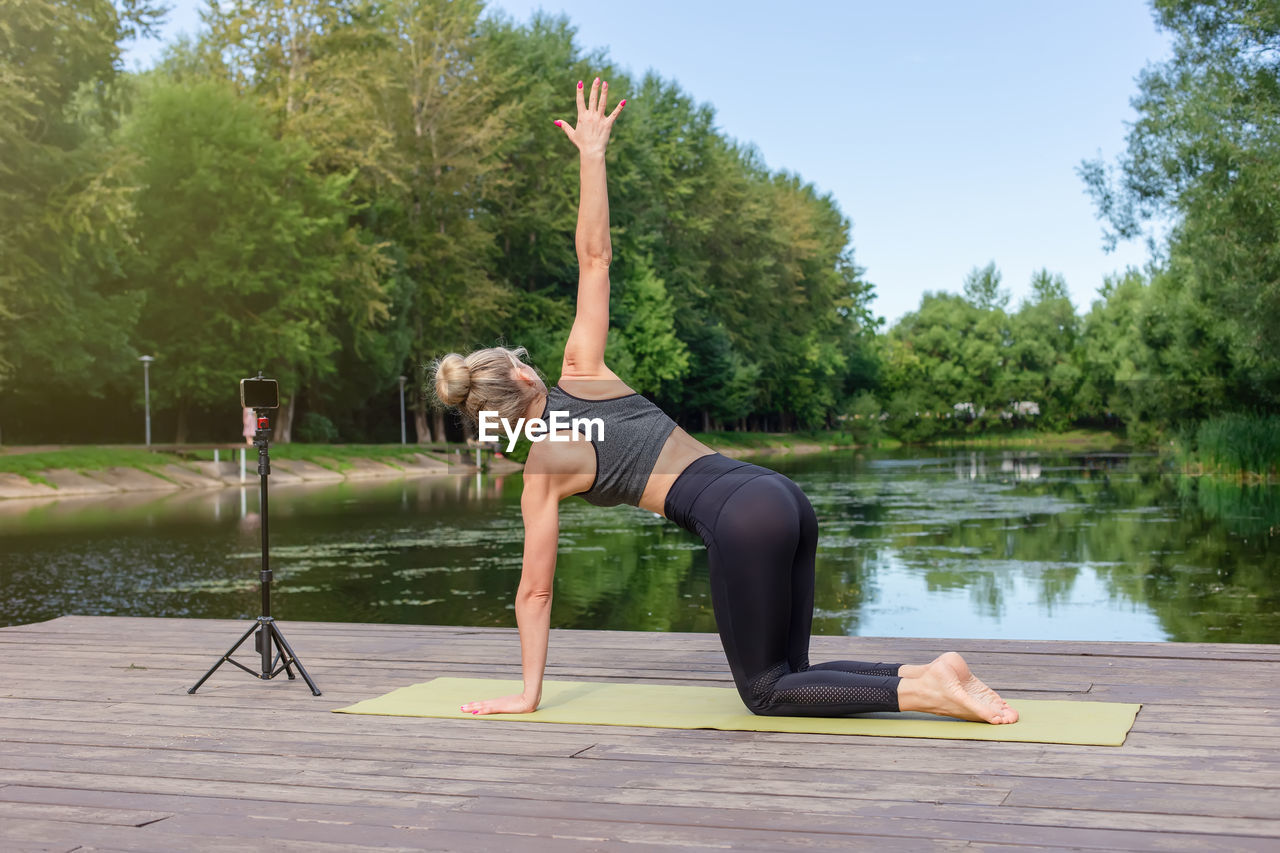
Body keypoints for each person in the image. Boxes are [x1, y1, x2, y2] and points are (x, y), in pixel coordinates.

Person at [431, 78, 1018, 726]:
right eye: (522, 359)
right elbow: (594, 258)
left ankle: (931, 691)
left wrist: (528, 692)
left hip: (742, 523)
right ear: (521, 379)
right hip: (779, 494)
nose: (530, 361)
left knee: (765, 691)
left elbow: (535, 592)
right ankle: (930, 674)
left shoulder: (540, 471)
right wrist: (591, 157)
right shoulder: (584, 370)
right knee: (788, 675)